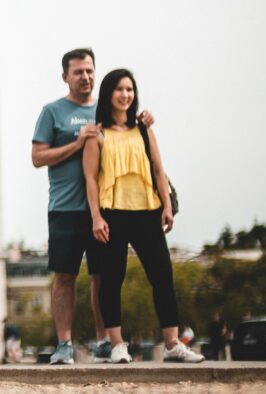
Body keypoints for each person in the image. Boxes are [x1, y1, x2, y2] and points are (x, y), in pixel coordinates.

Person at [32, 49, 154, 364]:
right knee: (65, 276)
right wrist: (76, 142)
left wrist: (145, 120)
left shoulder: (106, 109)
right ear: (65, 77)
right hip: (65, 208)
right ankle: (64, 344)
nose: (85, 77)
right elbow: (37, 157)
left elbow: (133, 137)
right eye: (78, 72)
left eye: (89, 71)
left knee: (103, 276)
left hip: (106, 209)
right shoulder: (52, 112)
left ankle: (104, 341)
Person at [82, 68, 203, 364]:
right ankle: (118, 344)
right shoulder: (96, 135)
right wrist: (96, 217)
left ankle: (173, 344)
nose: (126, 95)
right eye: (120, 89)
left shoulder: (144, 129)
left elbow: (159, 170)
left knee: (162, 275)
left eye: (130, 89)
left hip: (147, 211)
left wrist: (166, 205)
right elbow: (91, 180)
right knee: (112, 279)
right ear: (109, 94)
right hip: (112, 213)